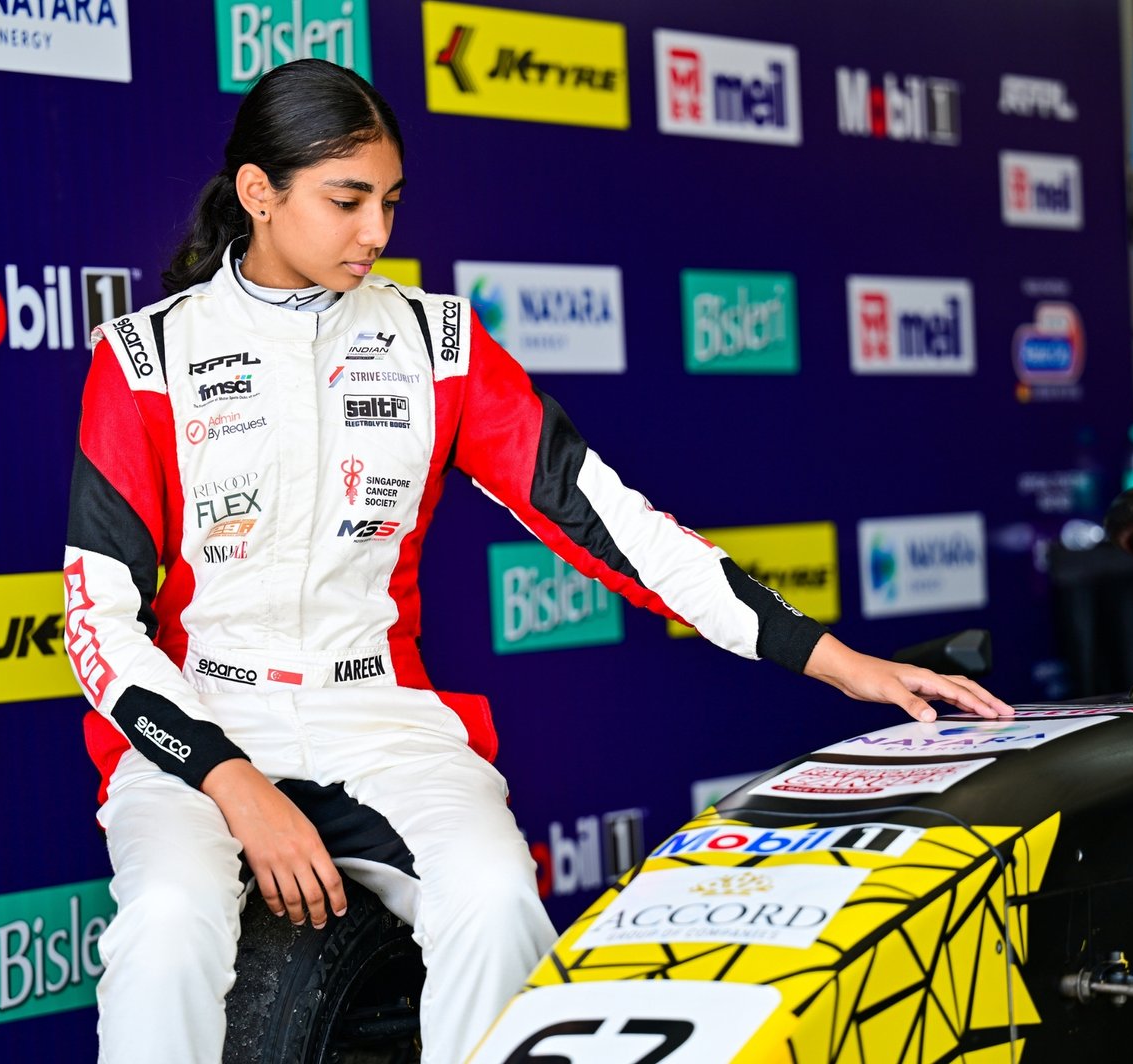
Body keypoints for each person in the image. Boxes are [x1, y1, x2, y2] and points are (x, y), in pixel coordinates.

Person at [63, 58, 1012, 1064]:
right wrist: (230, 778)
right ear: (260, 192)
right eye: (347, 201)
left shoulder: (436, 340)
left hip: (378, 717)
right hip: (199, 716)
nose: (376, 231)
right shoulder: (146, 355)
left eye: (390, 201)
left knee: (498, 899)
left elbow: (614, 524)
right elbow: (99, 625)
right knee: (164, 929)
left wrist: (837, 660)